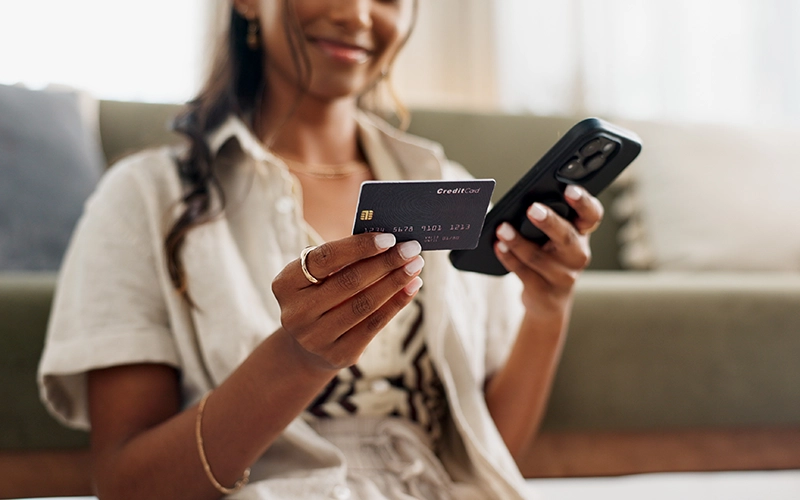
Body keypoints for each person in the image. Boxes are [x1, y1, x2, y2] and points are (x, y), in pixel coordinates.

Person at [38, 1, 603, 498]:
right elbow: (128, 487)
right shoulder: (144, 199)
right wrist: (296, 359)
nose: (357, 13)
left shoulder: (448, 188)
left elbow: (489, 457)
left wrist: (547, 309)